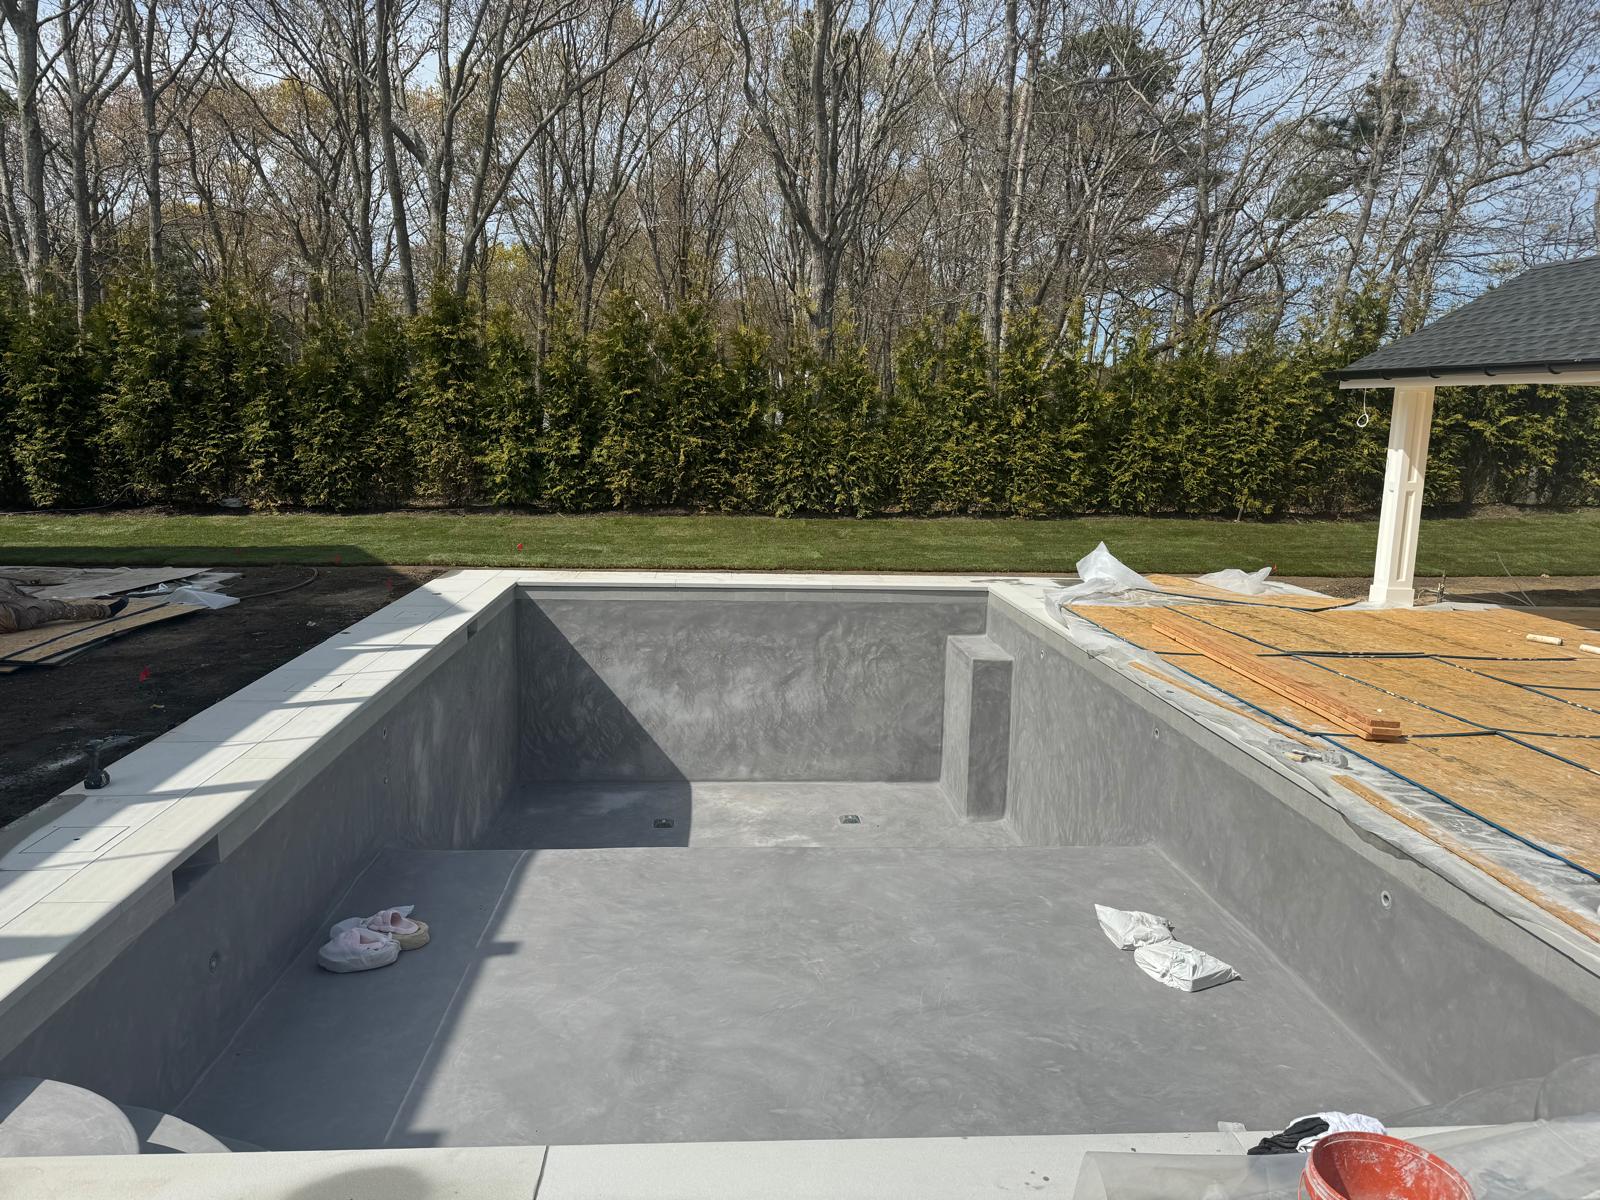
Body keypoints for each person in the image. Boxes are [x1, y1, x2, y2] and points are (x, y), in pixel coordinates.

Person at [0, 579, 127, 635]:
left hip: (14, 608)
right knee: (57, 608)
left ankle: (103, 610)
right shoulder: (32, 611)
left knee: (4, 585)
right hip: (14, 616)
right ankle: (105, 611)